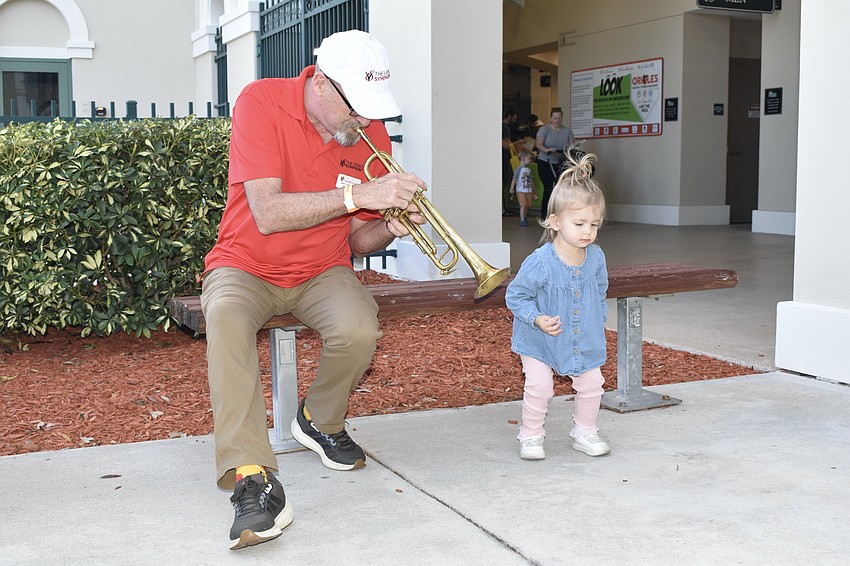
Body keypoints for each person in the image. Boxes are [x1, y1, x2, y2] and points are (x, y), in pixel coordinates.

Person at [200, 30, 427, 550]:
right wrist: (358, 193)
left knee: (360, 327)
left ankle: (319, 420)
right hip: (245, 263)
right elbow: (269, 212)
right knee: (227, 320)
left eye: (373, 110)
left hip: (323, 268)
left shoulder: (368, 134)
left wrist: (391, 226)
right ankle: (251, 476)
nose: (366, 121)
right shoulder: (261, 101)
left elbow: (357, 239)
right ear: (321, 84)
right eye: (357, 108)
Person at [505, 151, 611, 461]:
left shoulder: (596, 257)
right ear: (555, 221)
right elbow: (516, 296)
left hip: (583, 336)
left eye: (594, 224)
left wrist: (597, 322)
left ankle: (585, 432)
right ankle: (531, 435)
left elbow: (601, 290)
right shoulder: (540, 262)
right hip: (540, 338)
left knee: (592, 384)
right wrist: (536, 318)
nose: (587, 231)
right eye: (579, 223)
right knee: (540, 387)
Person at [535, 107, 575, 220]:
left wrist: (571, 148)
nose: (557, 120)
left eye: (559, 118)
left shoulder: (567, 131)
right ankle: (545, 214)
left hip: (560, 162)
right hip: (545, 161)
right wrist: (547, 150)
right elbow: (539, 144)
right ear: (551, 118)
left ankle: (560, 213)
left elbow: (572, 144)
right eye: (555, 118)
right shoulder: (544, 129)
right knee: (548, 187)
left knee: (560, 187)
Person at [509, 150, 537, 227]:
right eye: (529, 158)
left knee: (527, 205)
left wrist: (534, 190)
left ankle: (524, 217)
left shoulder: (529, 170)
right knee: (523, 205)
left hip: (528, 190)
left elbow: (531, 181)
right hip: (521, 190)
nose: (530, 160)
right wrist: (512, 188)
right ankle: (522, 219)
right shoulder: (518, 169)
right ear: (523, 158)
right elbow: (514, 179)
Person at [502, 109, 519, 216]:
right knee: (503, 183)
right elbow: (508, 145)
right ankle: (503, 209)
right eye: (514, 118)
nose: (515, 121)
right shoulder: (505, 128)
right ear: (509, 116)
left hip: (502, 158)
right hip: (504, 158)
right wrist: (520, 142)